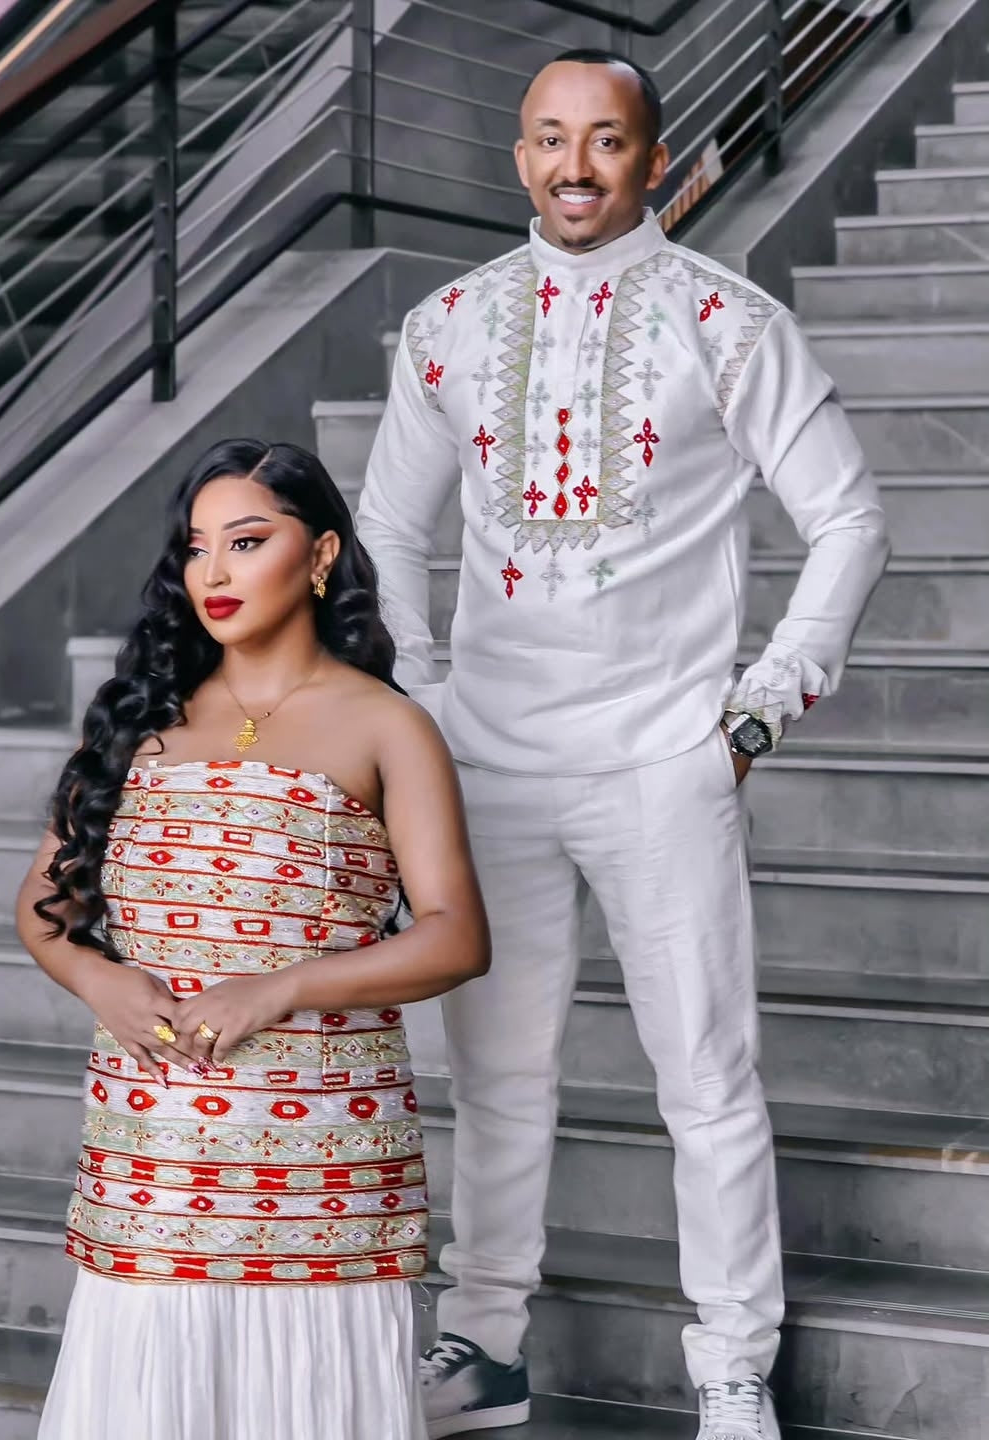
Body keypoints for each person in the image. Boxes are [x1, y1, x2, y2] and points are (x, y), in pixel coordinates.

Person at [357, 49, 889, 1440]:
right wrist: (419, 696)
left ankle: (730, 1364)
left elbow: (850, 516)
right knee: (497, 1073)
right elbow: (383, 533)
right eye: (547, 138)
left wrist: (765, 701)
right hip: (490, 764)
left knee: (707, 1077)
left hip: (667, 760)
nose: (574, 165)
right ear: (518, 156)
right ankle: (481, 1344)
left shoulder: (730, 322)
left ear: (653, 157)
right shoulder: (450, 327)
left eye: (603, 139)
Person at [16, 439, 490, 1440]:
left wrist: (280, 988)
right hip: (158, 1148)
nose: (214, 573)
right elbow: (43, 913)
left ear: (320, 555)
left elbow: (456, 938)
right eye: (196, 548)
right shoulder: (141, 717)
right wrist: (97, 980)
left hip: (321, 1150)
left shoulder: (385, 726)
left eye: (246, 540)